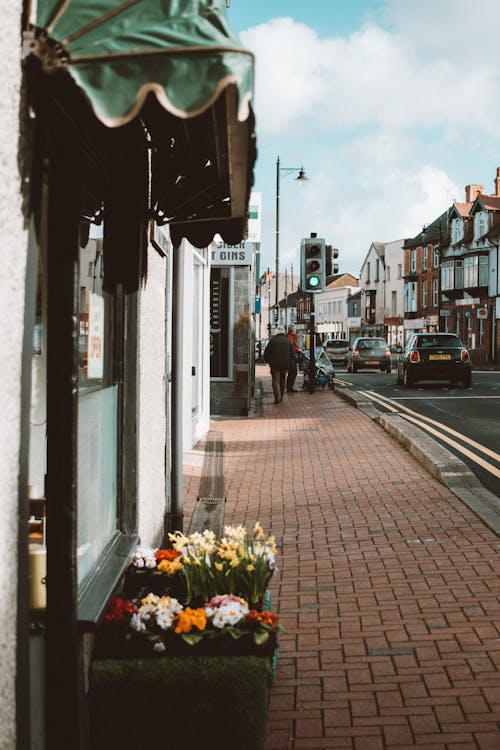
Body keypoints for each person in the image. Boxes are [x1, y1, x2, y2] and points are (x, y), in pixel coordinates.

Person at [263, 325, 295, 404]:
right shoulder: (288, 341)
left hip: (275, 365)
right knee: (282, 380)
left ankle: (277, 397)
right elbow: (292, 353)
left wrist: (266, 360)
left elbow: (267, 352)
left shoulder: (273, 340)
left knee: (275, 381)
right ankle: (281, 396)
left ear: (277, 331)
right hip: (285, 365)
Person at [286, 324, 300, 392]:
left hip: (292, 356)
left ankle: (289, 387)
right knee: (293, 372)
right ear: (292, 330)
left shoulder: (292, 336)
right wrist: (297, 350)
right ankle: (289, 387)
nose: (295, 330)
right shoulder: (290, 337)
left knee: (292, 372)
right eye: (295, 329)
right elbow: (291, 348)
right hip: (291, 357)